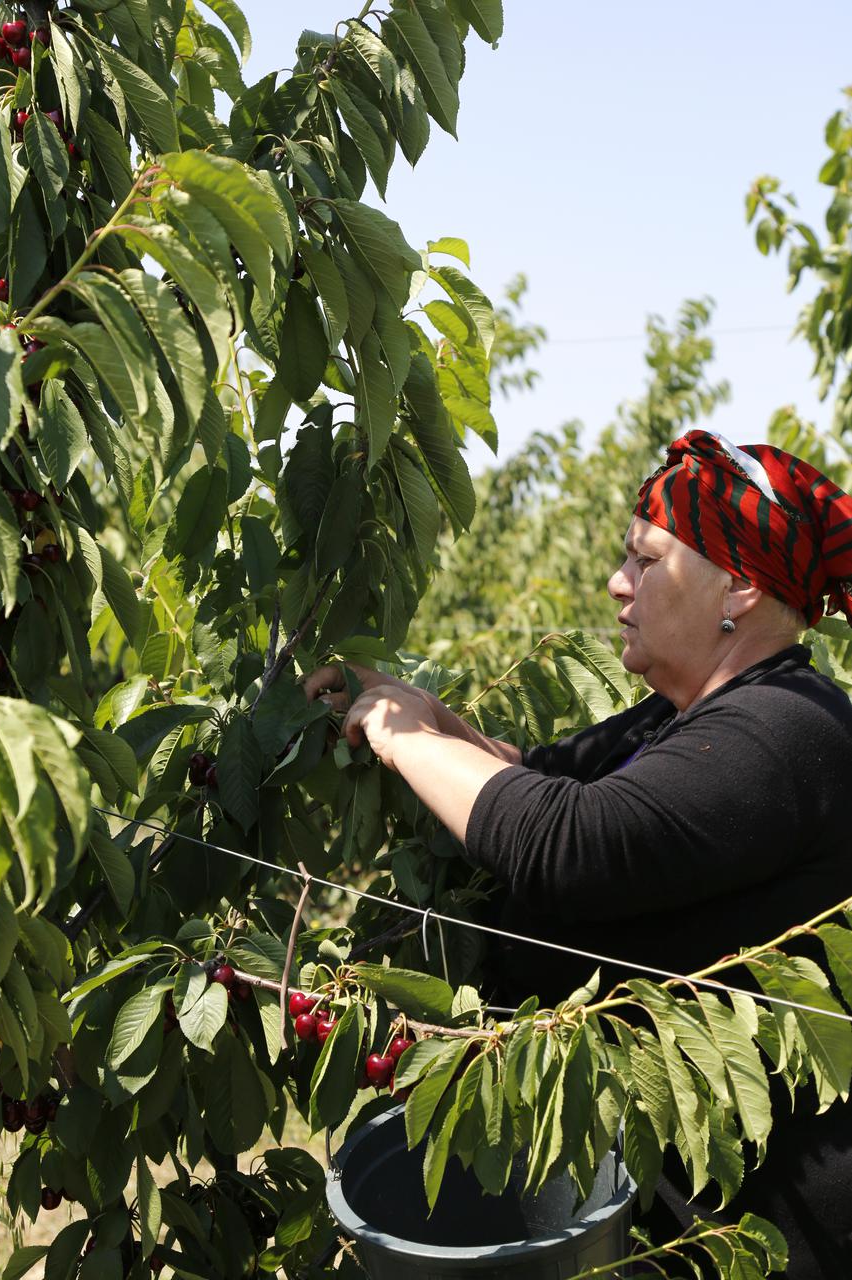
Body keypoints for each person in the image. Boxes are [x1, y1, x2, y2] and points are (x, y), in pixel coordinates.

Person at [305, 429, 852, 1277]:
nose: (616, 583)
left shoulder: (786, 731)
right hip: (648, 1204)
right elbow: (533, 779)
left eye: (645, 560)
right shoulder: (686, 713)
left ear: (737, 587)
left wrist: (402, 738)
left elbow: (572, 842)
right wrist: (411, 706)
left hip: (758, 1232)